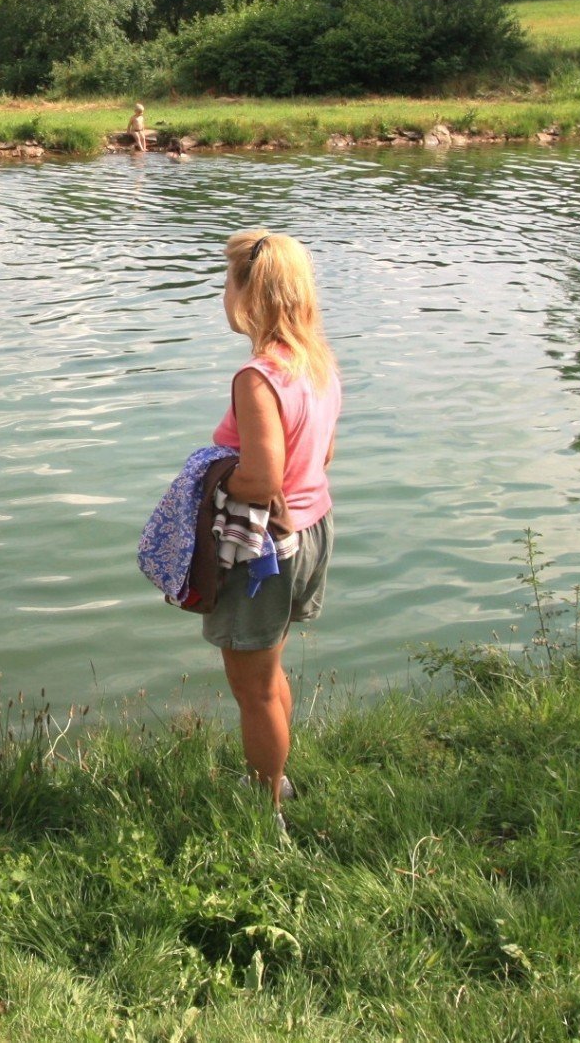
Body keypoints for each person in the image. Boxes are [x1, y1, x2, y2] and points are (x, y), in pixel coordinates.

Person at [205, 230, 341, 813]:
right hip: (311, 530)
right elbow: (323, 457)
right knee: (270, 668)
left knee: (252, 688)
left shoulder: (257, 378)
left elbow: (261, 480)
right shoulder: (317, 364)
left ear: (247, 292)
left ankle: (267, 810)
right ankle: (276, 777)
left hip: (266, 548)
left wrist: (208, 482)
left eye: (227, 281)